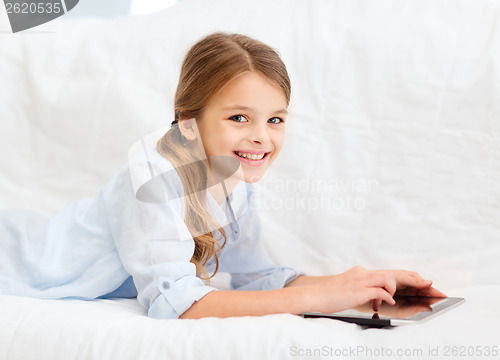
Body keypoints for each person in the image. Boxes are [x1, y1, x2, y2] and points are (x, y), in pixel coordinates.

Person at [0, 32, 445, 320]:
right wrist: (317, 300)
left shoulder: (233, 185)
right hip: (18, 260)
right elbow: (177, 305)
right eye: (239, 117)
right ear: (188, 121)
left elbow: (257, 276)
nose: (261, 138)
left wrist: (355, 285)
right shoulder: (150, 180)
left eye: (275, 120)